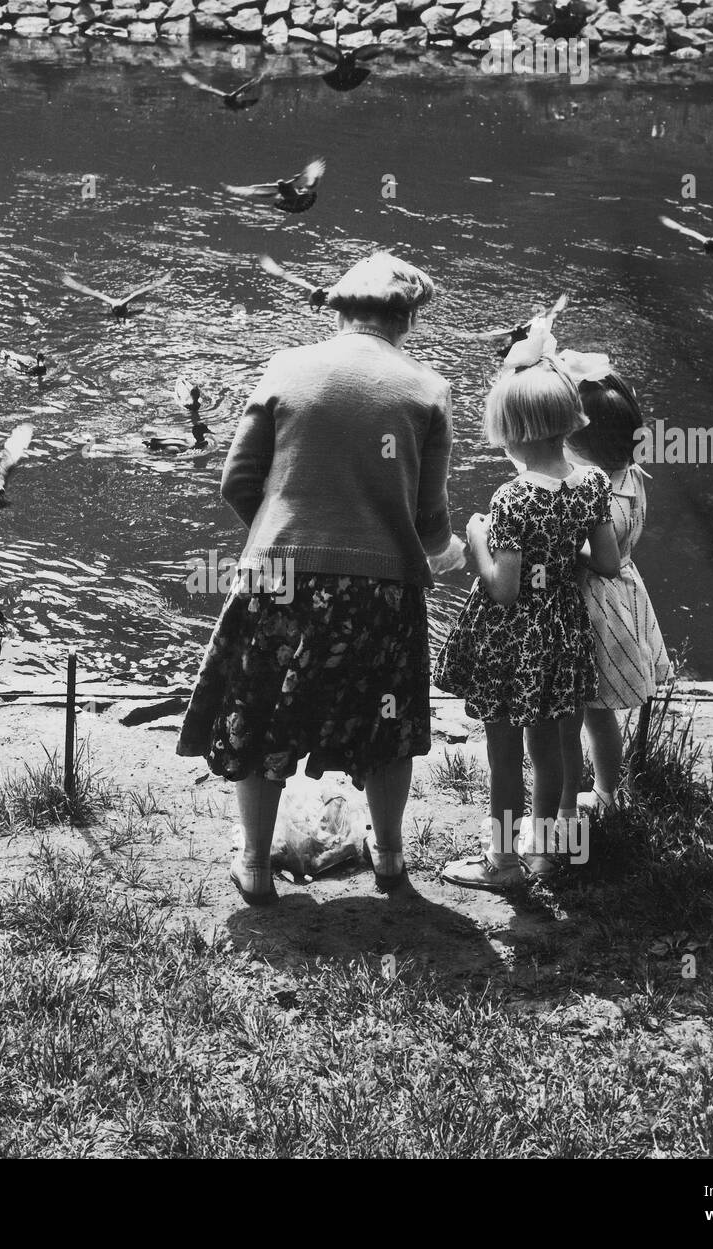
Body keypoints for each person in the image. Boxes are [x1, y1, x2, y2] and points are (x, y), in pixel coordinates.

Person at [176, 252, 466, 906]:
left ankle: (254, 865)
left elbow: (236, 481)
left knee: (264, 712)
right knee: (390, 722)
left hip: (280, 574)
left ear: (339, 310)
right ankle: (389, 859)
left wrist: (284, 538)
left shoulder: (285, 368)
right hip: (382, 588)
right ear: (408, 317)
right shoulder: (428, 390)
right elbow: (430, 521)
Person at [433, 359, 621, 890]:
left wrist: (475, 540)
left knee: (503, 754)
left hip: (511, 642)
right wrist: (561, 552)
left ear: (512, 432)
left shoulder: (511, 499)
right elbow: (607, 561)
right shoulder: (592, 482)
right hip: (562, 633)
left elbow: (504, 588)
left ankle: (503, 863)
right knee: (551, 748)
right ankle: (544, 851)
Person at [564, 364, 671, 810]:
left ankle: (581, 798)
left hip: (594, 602)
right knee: (599, 710)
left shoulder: (592, 491)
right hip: (626, 592)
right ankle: (608, 792)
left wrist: (565, 552)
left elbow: (599, 560)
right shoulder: (631, 475)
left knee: (582, 709)